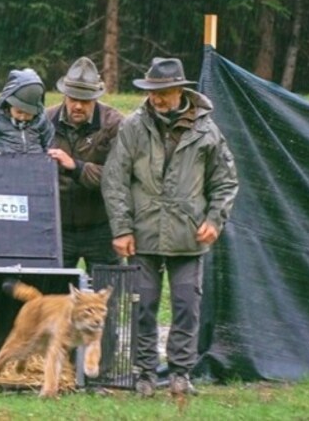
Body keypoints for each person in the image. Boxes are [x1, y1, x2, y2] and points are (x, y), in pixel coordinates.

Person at [102, 57, 238, 397]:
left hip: (189, 234)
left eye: (163, 92)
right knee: (142, 305)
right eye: (152, 92)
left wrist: (214, 219)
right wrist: (121, 228)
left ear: (180, 91)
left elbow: (226, 181)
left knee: (185, 307)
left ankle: (180, 374)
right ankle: (144, 374)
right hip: (141, 232)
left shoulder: (207, 130)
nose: (157, 99)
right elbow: (114, 179)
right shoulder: (133, 126)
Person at [45, 57, 123, 269]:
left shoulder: (114, 123)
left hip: (101, 226)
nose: (78, 106)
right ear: (64, 95)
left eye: (86, 100)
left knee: (108, 296)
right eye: (72, 98)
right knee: (54, 298)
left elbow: (118, 176)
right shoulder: (45, 121)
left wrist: (76, 167)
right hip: (57, 227)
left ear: (96, 98)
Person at [0, 68, 53, 153]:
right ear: (9, 105)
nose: (22, 117)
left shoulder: (41, 120)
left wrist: (50, 153)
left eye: (29, 114)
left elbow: (49, 140)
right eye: (19, 112)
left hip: (34, 162)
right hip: (4, 162)